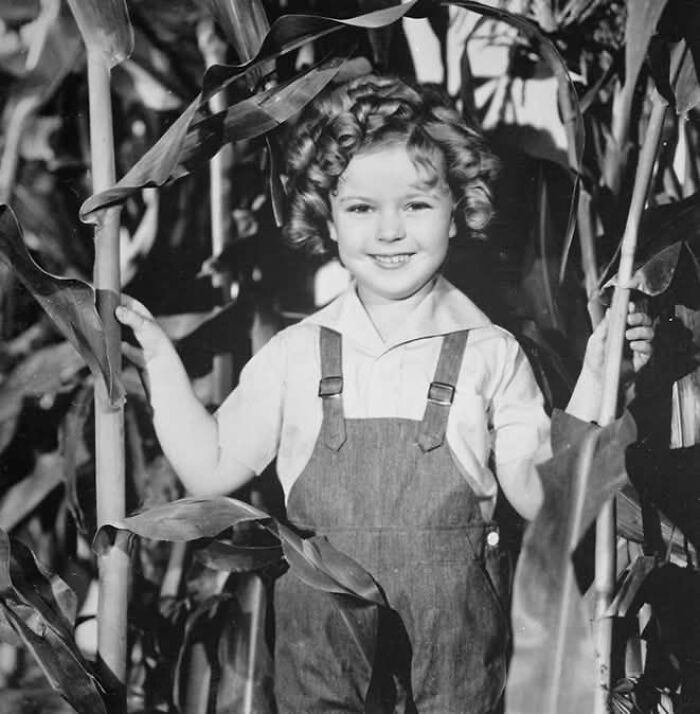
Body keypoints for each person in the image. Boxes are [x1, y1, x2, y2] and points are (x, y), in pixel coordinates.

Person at [116, 74, 654, 713]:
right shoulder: (296, 354)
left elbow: (543, 500)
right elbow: (209, 465)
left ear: (458, 207)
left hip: (457, 667)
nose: (390, 231)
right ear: (328, 217)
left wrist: (598, 379)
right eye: (362, 208)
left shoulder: (491, 353)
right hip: (321, 663)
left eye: (417, 205)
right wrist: (159, 361)